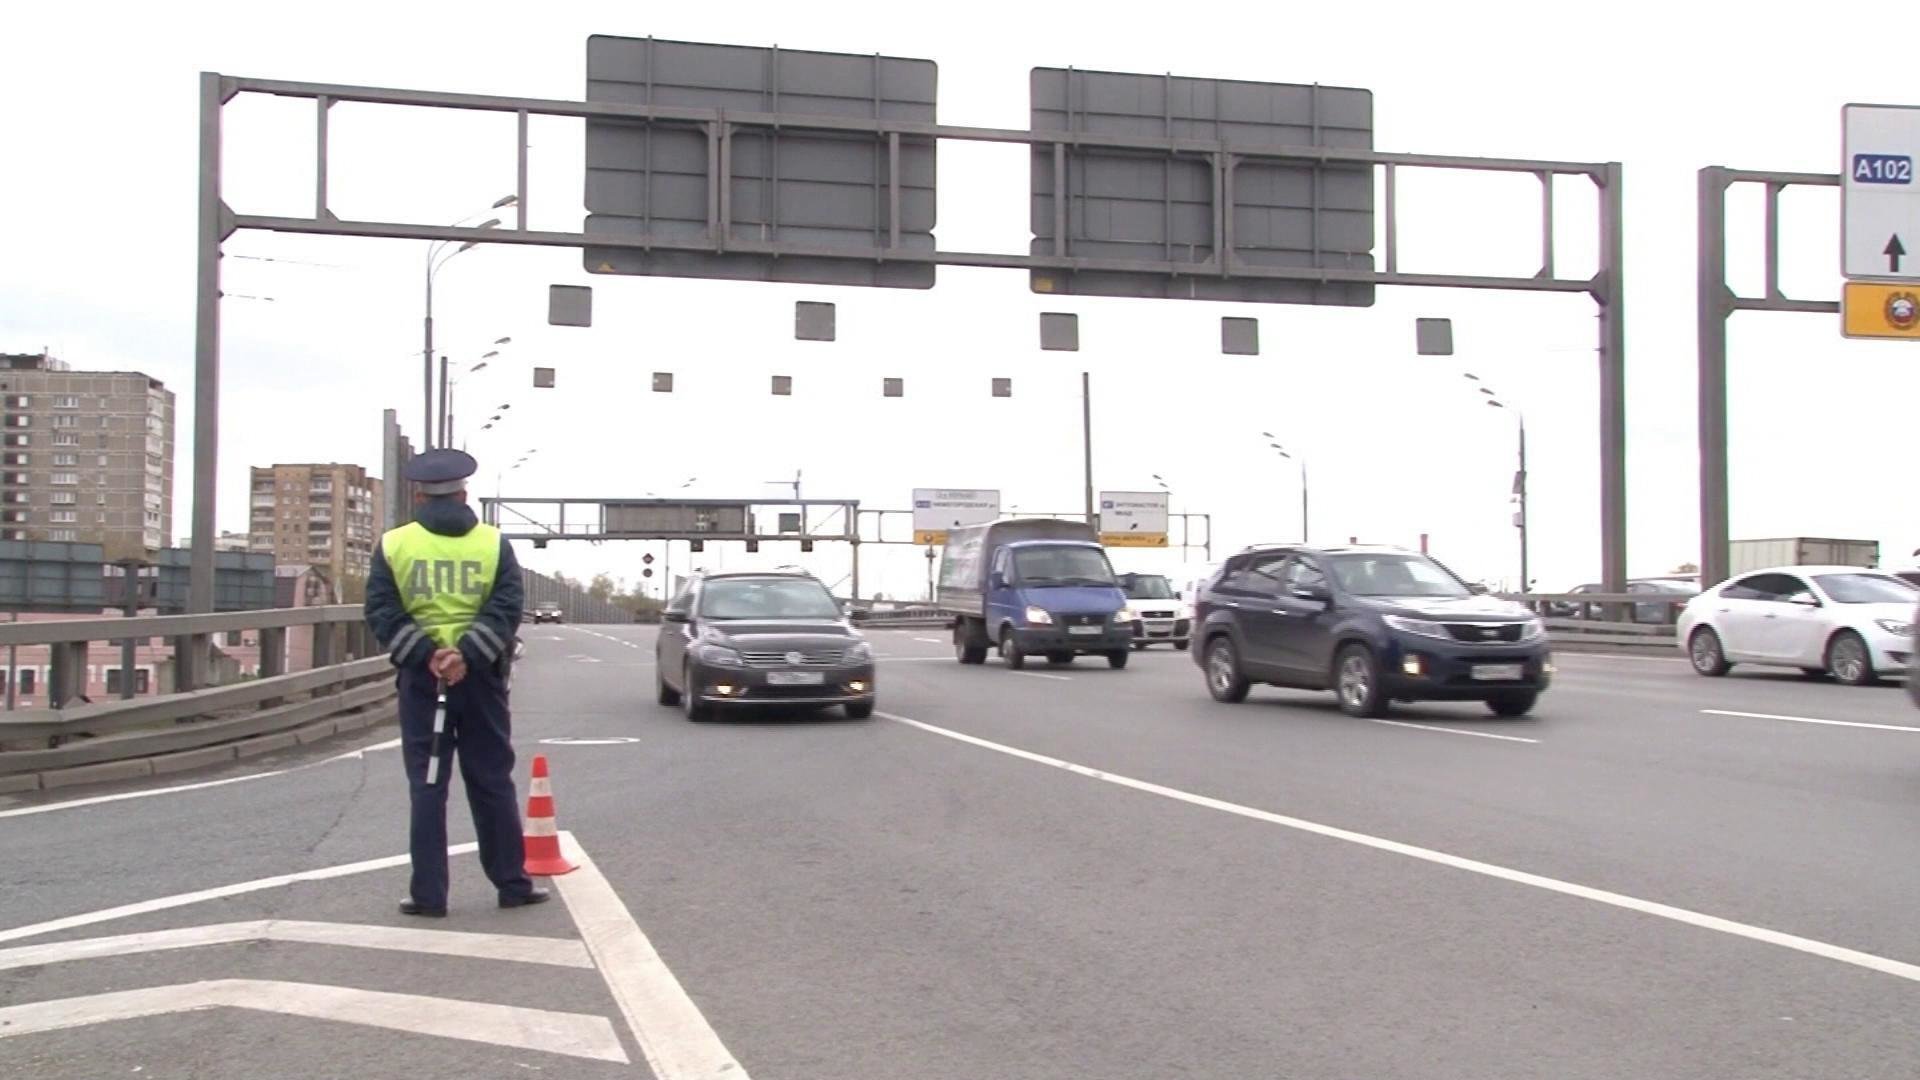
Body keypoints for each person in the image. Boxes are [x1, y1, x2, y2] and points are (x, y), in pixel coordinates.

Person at [363, 448, 547, 917]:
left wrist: (431, 656)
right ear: (465, 493)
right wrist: (466, 654)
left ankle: (428, 895)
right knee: (491, 779)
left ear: (418, 496)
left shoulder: (394, 545)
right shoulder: (493, 543)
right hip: (481, 679)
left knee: (427, 783)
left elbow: (383, 612)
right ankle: (511, 883)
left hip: (423, 682)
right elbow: (505, 609)